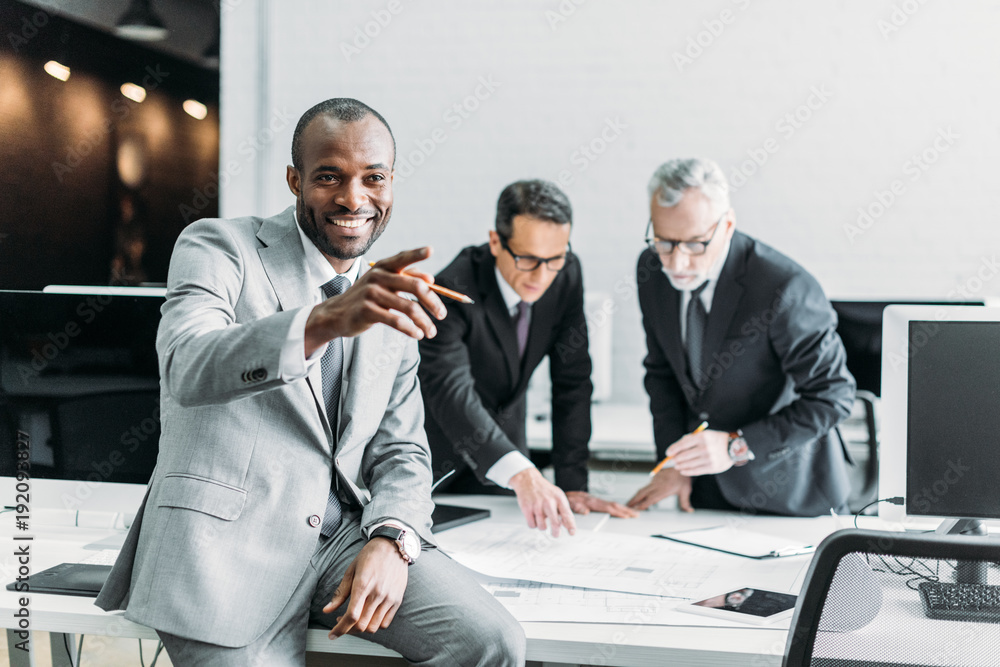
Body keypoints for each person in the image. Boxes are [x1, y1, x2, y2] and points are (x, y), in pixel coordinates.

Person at [96, 98, 525, 666]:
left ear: (392, 182)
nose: (354, 198)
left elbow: (402, 450)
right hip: (223, 553)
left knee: (492, 642)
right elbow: (186, 365)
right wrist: (324, 321)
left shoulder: (384, 293)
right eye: (330, 177)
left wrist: (393, 538)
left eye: (374, 178)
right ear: (295, 180)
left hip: (342, 541)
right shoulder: (219, 246)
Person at [627, 158, 856, 517]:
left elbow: (834, 397)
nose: (677, 263)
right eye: (664, 241)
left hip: (791, 496)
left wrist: (737, 446)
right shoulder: (652, 270)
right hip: (706, 493)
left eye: (695, 244)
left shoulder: (784, 288)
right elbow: (663, 374)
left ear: (727, 224)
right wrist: (675, 464)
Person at [419, 180, 636, 538]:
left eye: (554, 259)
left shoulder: (565, 273)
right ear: (495, 242)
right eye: (528, 259)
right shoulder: (453, 287)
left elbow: (573, 381)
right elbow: (450, 390)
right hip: (444, 460)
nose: (542, 276)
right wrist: (521, 473)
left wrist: (572, 482)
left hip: (511, 461)